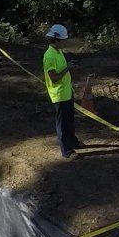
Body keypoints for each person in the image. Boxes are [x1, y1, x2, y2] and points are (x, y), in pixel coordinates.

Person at [42, 24, 78, 159]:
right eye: (62, 41)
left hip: (67, 92)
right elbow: (54, 78)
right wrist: (68, 68)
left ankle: (73, 142)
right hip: (59, 95)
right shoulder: (49, 56)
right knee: (62, 124)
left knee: (69, 120)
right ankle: (66, 150)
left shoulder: (58, 51)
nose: (64, 43)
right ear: (55, 40)